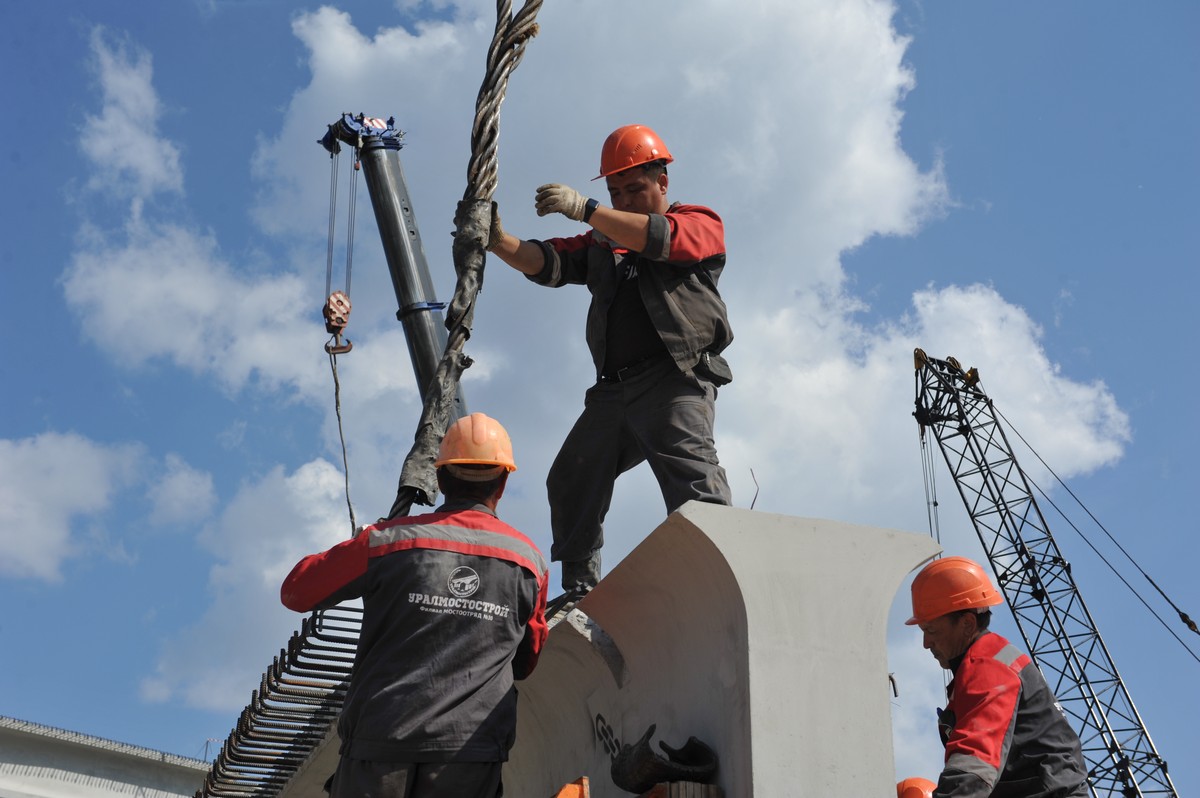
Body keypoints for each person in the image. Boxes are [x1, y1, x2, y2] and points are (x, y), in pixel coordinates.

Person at [487, 123, 733, 595]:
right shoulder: (605, 244)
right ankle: (581, 589)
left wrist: (587, 209)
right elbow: (549, 261)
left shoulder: (700, 223)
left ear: (663, 181)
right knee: (572, 476)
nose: (624, 199)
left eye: (634, 188)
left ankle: (718, 571)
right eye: (615, 191)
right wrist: (497, 240)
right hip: (614, 391)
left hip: (673, 379)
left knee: (691, 475)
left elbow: (660, 238)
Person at [280, 412, 549, 798]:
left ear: (440, 479)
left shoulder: (386, 543)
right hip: (470, 751)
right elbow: (526, 661)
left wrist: (360, 544)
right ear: (503, 482)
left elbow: (297, 591)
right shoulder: (529, 563)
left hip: (379, 743)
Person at [905, 556, 1089, 798]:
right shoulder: (984, 664)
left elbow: (974, 765)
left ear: (967, 624)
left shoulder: (988, 667)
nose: (926, 643)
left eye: (931, 630)